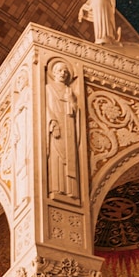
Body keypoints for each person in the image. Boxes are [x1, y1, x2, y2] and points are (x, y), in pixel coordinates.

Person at [46, 61, 79, 198]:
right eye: (59, 71)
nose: (63, 74)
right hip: (57, 125)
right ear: (53, 73)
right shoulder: (49, 88)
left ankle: (71, 190)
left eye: (65, 72)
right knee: (56, 157)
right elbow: (46, 106)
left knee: (70, 157)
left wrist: (72, 101)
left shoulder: (69, 90)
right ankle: (56, 188)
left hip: (69, 125)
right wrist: (53, 123)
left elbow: (75, 111)